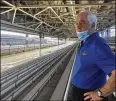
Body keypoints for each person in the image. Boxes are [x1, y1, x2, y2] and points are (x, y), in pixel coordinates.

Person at [70, 10, 115, 101]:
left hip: (89, 96)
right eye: (76, 23)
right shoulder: (85, 42)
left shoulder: (97, 45)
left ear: (93, 25)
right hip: (80, 93)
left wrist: (100, 93)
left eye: (82, 23)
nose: (78, 26)